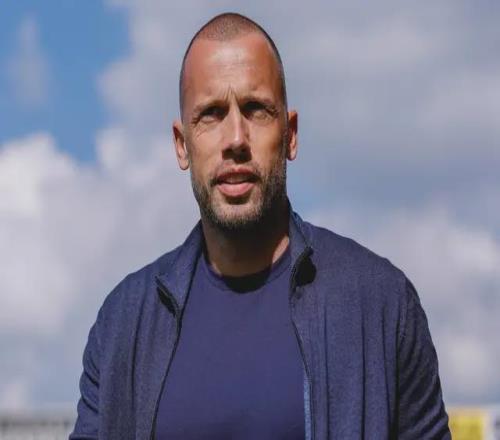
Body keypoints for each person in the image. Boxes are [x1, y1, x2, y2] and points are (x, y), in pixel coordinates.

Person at [70, 12, 451, 440]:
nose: (236, 138)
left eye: (256, 110)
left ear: (290, 134)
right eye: (211, 114)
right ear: (182, 145)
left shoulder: (380, 303)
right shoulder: (123, 324)